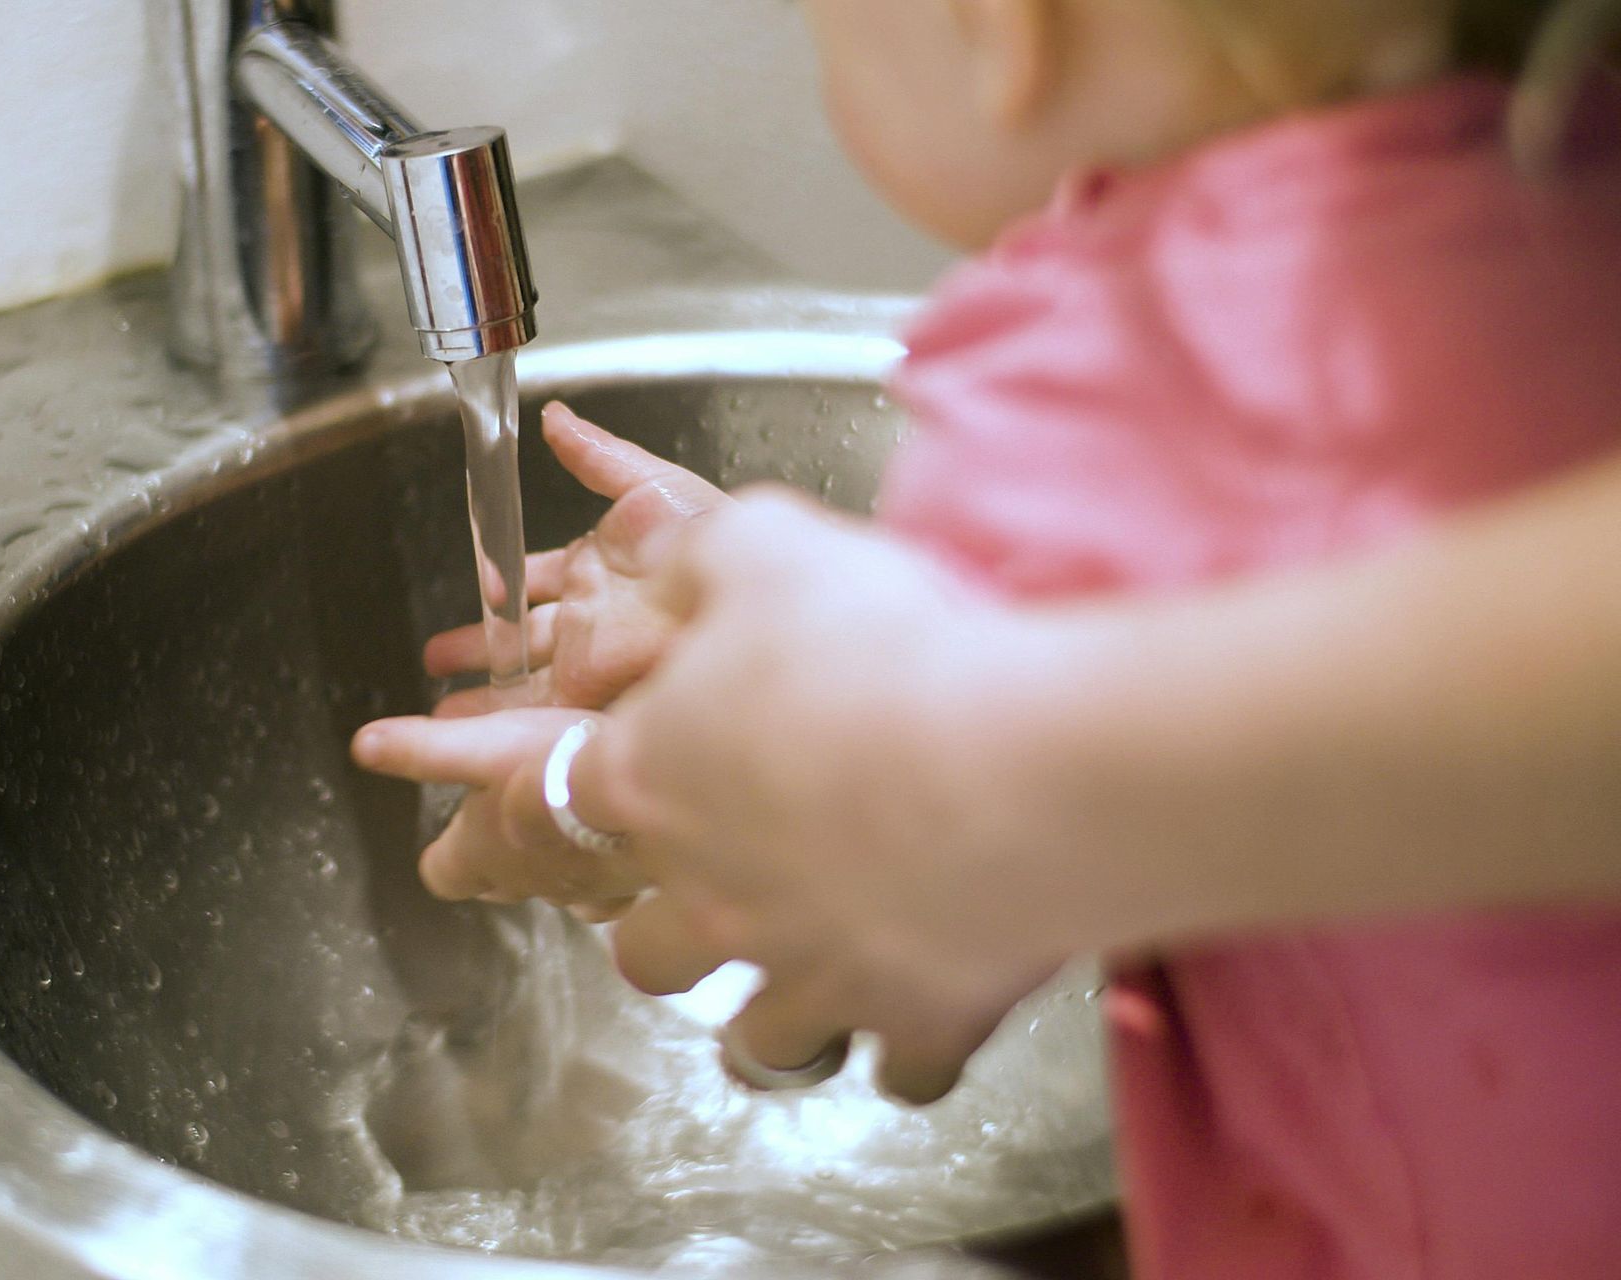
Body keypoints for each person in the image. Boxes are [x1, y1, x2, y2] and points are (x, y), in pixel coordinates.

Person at [353, 1, 1621, 1274]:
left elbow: (852, 866)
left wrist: (603, 794)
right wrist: (750, 627)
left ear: (1007, 30)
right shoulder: (1572, 221)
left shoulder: (1097, 364)